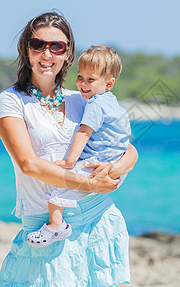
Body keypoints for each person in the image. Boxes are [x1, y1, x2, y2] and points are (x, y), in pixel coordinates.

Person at [0, 11, 138, 286]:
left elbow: (128, 149)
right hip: (46, 224)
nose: (47, 54)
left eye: (56, 46)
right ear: (26, 49)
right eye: (38, 45)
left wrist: (114, 172)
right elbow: (28, 164)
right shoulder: (11, 101)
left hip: (98, 217)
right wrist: (91, 183)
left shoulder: (83, 99)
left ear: (67, 53)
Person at [26, 45, 131, 247]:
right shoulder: (113, 102)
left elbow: (84, 133)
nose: (83, 84)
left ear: (109, 82)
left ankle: (56, 225)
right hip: (114, 163)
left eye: (90, 79)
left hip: (96, 163)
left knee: (59, 181)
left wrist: (69, 161)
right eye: (80, 77)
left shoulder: (94, 105)